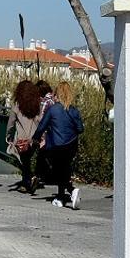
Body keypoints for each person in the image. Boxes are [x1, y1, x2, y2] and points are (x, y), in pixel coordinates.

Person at [32, 81, 84, 209]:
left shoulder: (53, 110)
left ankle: (69, 192)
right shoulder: (73, 110)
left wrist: (35, 139)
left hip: (56, 145)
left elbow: (41, 127)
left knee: (57, 171)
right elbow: (80, 128)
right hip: (71, 146)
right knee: (64, 169)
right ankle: (62, 196)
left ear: (57, 94)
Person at [6, 80, 42, 194]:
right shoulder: (37, 104)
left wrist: (8, 135)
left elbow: (11, 123)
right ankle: (26, 182)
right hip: (34, 138)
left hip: (21, 139)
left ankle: (29, 179)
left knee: (23, 161)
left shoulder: (17, 105)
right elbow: (40, 120)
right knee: (27, 159)